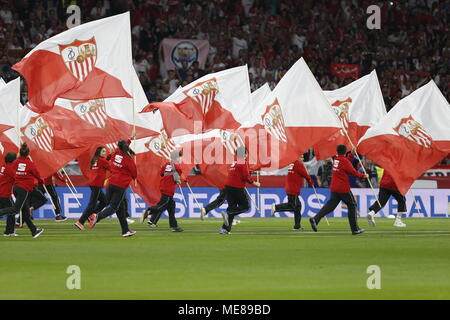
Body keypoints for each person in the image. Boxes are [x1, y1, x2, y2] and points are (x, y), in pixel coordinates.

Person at [309, 145, 368, 235]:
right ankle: (355, 229)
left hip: (334, 187)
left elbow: (346, 162)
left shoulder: (337, 159)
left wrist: (351, 154)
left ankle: (315, 219)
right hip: (343, 188)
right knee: (352, 205)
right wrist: (364, 176)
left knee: (330, 206)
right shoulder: (343, 161)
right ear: (345, 151)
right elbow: (353, 172)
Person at [88, 139, 137, 237]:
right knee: (114, 207)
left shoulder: (115, 152)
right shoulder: (128, 159)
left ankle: (125, 231)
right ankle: (97, 216)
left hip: (110, 184)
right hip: (120, 185)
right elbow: (134, 174)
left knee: (120, 208)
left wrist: (130, 138)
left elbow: (121, 146)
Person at [0, 144, 44, 238]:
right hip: (22, 189)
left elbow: (15, 174)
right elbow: (36, 174)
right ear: (28, 153)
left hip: (15, 189)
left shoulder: (13, 164)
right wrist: (39, 182)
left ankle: (34, 230)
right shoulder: (29, 164)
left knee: (25, 211)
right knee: (15, 210)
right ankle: (10, 231)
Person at [141, 150, 184, 232]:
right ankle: (148, 212)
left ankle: (174, 226)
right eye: (180, 157)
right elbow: (178, 177)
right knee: (161, 205)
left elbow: (161, 173)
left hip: (164, 187)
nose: (180, 159)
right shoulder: (177, 167)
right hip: (169, 189)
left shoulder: (166, 165)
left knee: (171, 207)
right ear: (177, 158)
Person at [220, 146, 260, 235]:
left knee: (232, 207)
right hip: (236, 187)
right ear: (245, 154)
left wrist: (249, 171)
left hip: (228, 187)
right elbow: (245, 177)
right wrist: (254, 183)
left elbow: (241, 172)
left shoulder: (234, 162)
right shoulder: (243, 162)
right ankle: (228, 215)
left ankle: (225, 229)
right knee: (246, 206)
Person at [271, 154, 314, 230]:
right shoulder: (298, 165)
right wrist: (311, 182)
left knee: (297, 207)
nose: (303, 159)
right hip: (293, 189)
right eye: (301, 157)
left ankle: (297, 226)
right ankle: (276, 207)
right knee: (292, 206)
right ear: (297, 158)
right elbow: (306, 175)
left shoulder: (292, 164)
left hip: (290, 188)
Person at [75, 146, 109, 230]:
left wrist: (110, 156)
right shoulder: (102, 161)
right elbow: (111, 167)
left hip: (93, 183)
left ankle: (92, 215)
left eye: (105, 151)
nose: (105, 153)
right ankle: (80, 221)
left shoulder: (96, 159)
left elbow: (104, 163)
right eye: (103, 151)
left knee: (104, 201)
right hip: (96, 184)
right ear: (99, 153)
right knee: (92, 204)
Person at [1, 152, 18, 236]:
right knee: (12, 211)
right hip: (5, 194)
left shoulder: (3, 166)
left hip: (1, 192)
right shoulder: (10, 169)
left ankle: (9, 231)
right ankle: (9, 231)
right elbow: (17, 179)